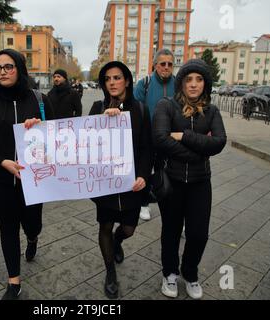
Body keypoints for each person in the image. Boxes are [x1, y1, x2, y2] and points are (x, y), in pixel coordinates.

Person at [0, 49, 54, 300]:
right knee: (7, 227)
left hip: (34, 180)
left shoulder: (39, 100)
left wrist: (41, 127)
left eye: (9, 66)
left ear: (19, 68)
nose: (3, 72)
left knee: (32, 222)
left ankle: (33, 237)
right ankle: (13, 282)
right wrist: (1, 161)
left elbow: (60, 136)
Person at [152, 59, 227, 299]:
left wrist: (183, 136)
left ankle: (190, 272)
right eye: (188, 79)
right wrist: (199, 150)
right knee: (171, 231)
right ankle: (170, 273)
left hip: (200, 182)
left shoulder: (212, 111)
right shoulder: (167, 106)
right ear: (181, 82)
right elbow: (161, 139)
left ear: (206, 83)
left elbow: (219, 142)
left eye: (199, 79)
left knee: (198, 234)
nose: (193, 85)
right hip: (172, 181)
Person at [89, 61, 153, 299]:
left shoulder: (141, 110)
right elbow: (86, 144)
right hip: (105, 183)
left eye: (117, 78)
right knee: (104, 226)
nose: (112, 83)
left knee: (129, 229)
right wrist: (103, 122)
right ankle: (110, 273)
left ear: (126, 80)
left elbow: (147, 148)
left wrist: (143, 176)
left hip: (131, 184)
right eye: (107, 79)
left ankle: (118, 241)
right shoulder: (97, 108)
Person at [134, 48, 176, 221]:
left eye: (170, 64)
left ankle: (168, 207)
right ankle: (144, 204)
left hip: (172, 138)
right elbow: (136, 110)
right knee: (145, 171)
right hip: (148, 138)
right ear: (155, 65)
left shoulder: (180, 83)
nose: (166, 67)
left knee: (167, 173)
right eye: (162, 64)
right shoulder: (144, 83)